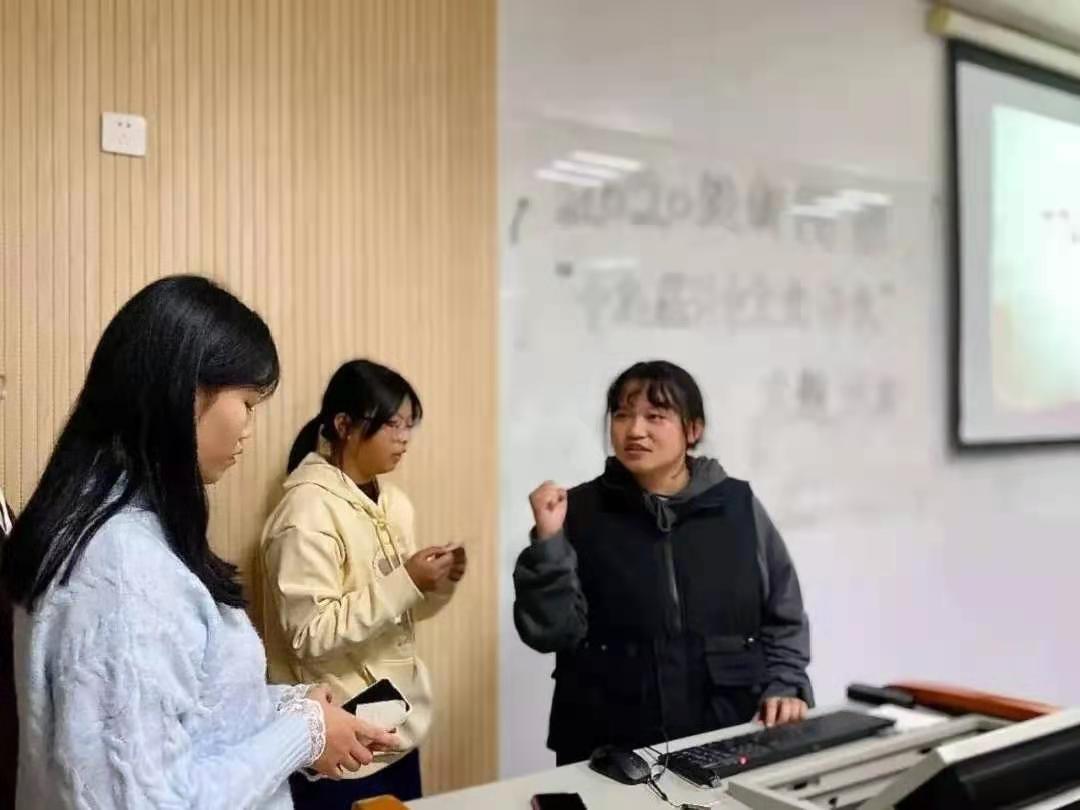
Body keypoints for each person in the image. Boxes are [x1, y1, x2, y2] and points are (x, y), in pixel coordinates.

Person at [0, 276, 398, 810]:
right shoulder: (123, 572)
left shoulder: (123, 533)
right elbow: (152, 798)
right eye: (248, 402)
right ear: (185, 392)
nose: (249, 429)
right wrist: (303, 732)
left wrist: (290, 711)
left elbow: (182, 717)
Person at [513, 360, 813, 765]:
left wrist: (787, 684)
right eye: (622, 415)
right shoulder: (578, 511)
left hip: (727, 733)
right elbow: (550, 634)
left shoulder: (737, 506)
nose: (635, 430)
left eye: (655, 416)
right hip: (607, 749)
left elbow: (784, 614)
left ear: (693, 429)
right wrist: (549, 542)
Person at [259, 359, 465, 808]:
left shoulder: (394, 504)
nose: (404, 437)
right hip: (338, 741)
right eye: (392, 423)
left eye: (409, 424)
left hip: (396, 728)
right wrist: (407, 579)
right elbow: (309, 635)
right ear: (344, 426)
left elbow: (402, 615)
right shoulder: (305, 511)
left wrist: (438, 581)